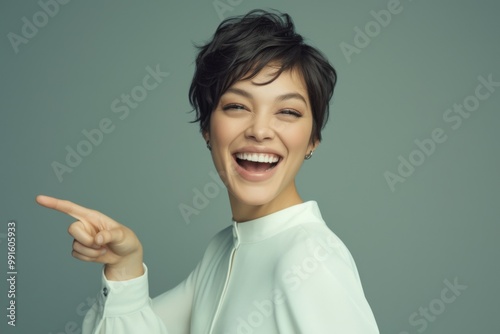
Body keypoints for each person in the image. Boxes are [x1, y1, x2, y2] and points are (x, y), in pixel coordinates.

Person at [36, 9, 379, 333]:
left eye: (287, 112)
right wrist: (125, 267)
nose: (260, 130)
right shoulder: (222, 250)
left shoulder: (310, 259)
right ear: (206, 129)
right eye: (237, 106)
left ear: (313, 139)